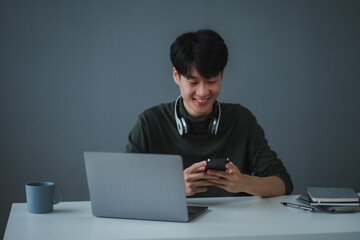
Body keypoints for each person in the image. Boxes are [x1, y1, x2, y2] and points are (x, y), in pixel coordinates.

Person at [126, 29, 293, 198]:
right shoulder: (149, 123)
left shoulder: (241, 119)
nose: (203, 92)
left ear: (221, 76)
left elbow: (283, 183)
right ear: (177, 76)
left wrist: (243, 182)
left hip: (235, 223)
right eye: (193, 82)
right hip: (170, 224)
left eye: (212, 81)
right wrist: (173, 187)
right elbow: (125, 187)